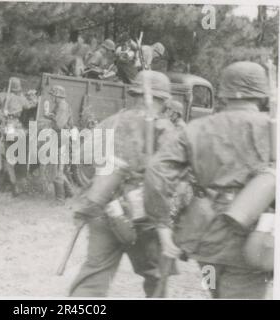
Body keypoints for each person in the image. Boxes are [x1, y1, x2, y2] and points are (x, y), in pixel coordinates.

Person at [144, 61, 274, 299]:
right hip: (252, 239)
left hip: (205, 237)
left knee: (216, 290)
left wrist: (162, 224)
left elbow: (156, 171)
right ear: (262, 93)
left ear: (223, 92)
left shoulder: (196, 128)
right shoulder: (272, 129)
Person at [69, 70, 178, 297]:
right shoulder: (164, 128)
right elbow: (167, 178)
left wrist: (105, 182)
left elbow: (83, 159)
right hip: (145, 214)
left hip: (104, 207)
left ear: (134, 93)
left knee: (93, 277)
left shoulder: (111, 121)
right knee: (157, 277)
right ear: (164, 99)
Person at [0, 77, 32, 196]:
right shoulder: (19, 98)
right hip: (15, 127)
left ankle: (9, 183)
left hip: (4, 127)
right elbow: (29, 105)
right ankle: (16, 185)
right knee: (19, 157)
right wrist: (32, 96)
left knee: (7, 157)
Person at [44, 85, 74, 204]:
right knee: (57, 168)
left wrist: (50, 120)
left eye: (53, 96)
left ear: (57, 96)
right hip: (60, 137)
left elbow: (59, 124)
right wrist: (50, 116)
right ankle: (70, 192)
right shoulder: (59, 105)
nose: (52, 98)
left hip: (62, 137)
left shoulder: (62, 106)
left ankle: (60, 199)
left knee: (57, 169)